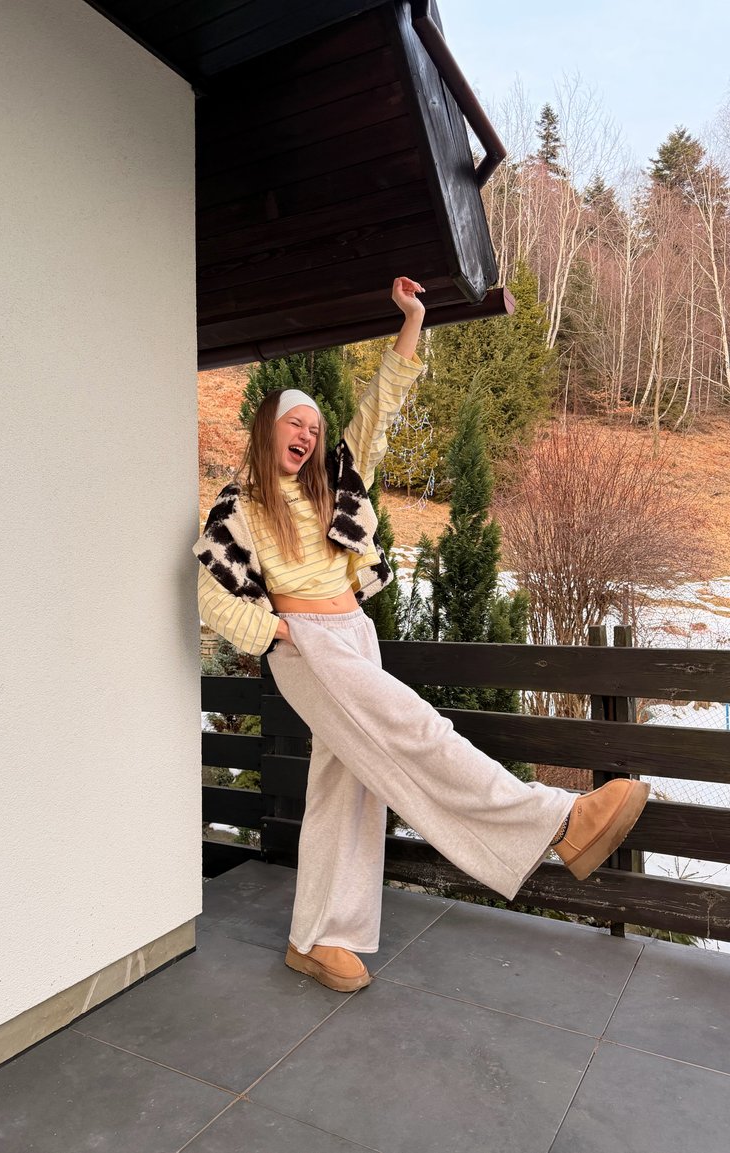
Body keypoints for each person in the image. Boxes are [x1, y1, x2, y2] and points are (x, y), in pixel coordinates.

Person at [194, 277, 649, 994]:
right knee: (419, 732)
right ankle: (559, 822)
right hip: (308, 644)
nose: (308, 434)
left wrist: (414, 320)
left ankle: (316, 937)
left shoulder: (334, 481)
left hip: (353, 631)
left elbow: (382, 403)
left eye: (314, 426)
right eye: (295, 423)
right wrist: (274, 626)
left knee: (345, 788)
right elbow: (210, 593)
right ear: (266, 428)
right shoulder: (240, 506)